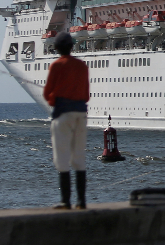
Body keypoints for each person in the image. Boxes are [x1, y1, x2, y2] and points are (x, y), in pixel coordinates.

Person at [42, 32, 91, 210]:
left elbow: (47, 94)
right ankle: (82, 201)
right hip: (81, 113)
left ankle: (66, 201)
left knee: (61, 157)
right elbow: (86, 95)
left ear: (56, 48)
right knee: (79, 155)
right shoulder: (82, 66)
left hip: (63, 114)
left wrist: (56, 97)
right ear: (72, 46)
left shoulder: (56, 65)